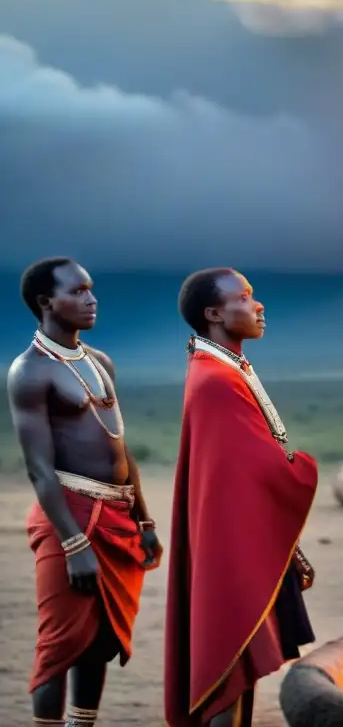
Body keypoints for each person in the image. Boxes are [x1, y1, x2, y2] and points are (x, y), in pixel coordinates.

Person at [7, 256, 161, 727]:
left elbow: (120, 447)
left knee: (100, 639)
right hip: (67, 515)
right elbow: (38, 467)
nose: (91, 299)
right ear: (45, 302)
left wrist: (145, 519)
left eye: (91, 289)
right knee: (60, 647)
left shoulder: (100, 362)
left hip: (116, 515)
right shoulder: (28, 372)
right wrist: (73, 543)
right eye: (76, 292)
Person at [164, 268, 318, 727]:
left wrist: (286, 544)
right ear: (214, 313)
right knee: (229, 669)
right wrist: (303, 467)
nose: (259, 305)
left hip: (236, 540)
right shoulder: (216, 380)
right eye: (246, 297)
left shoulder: (223, 368)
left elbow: (242, 477)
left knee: (239, 672)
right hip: (229, 553)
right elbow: (264, 467)